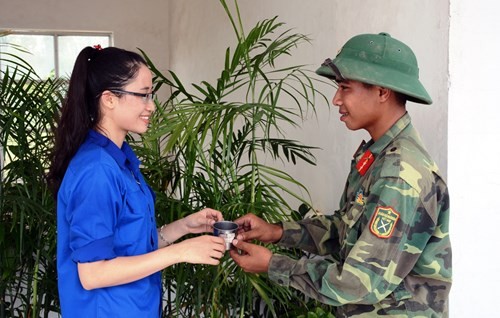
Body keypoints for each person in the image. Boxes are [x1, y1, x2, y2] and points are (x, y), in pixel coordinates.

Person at [230, 32, 452, 317]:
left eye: (345, 88)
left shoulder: (400, 174)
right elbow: (346, 230)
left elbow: (359, 283)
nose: (336, 99)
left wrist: (273, 264)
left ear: (382, 92)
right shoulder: (379, 157)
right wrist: (276, 232)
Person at [46, 46, 226, 317]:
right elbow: (92, 274)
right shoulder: (97, 170)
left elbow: (132, 246)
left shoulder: (120, 162)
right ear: (109, 99)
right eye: (143, 95)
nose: (151, 106)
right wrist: (181, 252)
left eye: (150, 95)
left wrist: (184, 227)